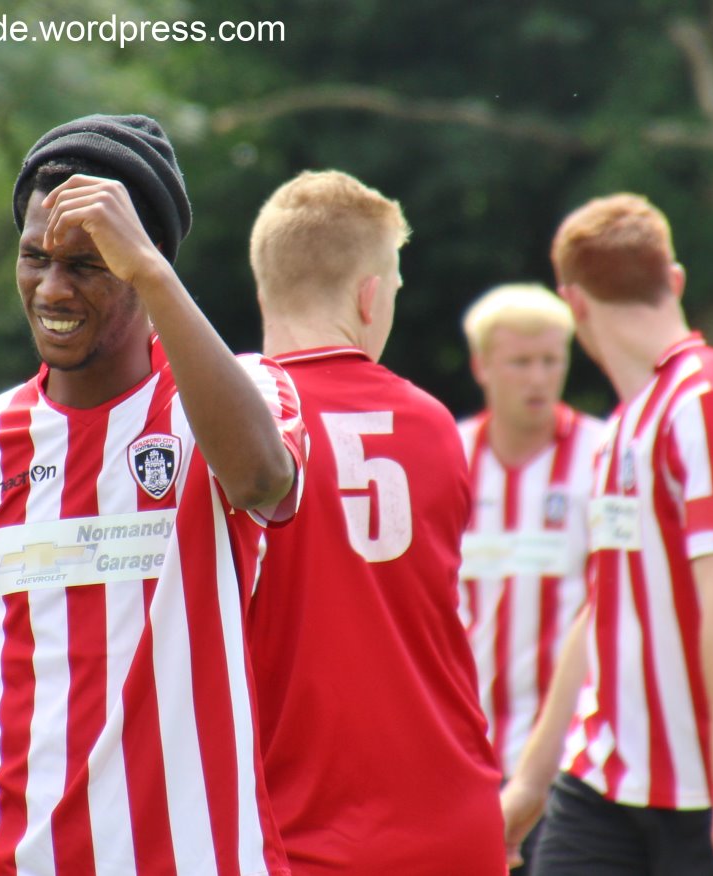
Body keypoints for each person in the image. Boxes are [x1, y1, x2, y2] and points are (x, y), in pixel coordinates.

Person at [0, 114, 307, 876]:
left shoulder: (239, 398)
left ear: (142, 261)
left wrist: (153, 275)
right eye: (34, 257)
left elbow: (263, 479)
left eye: (87, 264)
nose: (51, 288)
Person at [501, 193, 713, 876]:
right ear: (674, 280)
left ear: (573, 304)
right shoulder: (623, 426)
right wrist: (530, 782)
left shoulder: (707, 404)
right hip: (606, 784)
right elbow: (604, 604)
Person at [244, 170, 508, 875]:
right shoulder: (432, 423)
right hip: (454, 822)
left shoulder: (227, 432)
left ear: (264, 290)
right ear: (369, 296)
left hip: (295, 827)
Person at [456, 283, 604, 875]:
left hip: (573, 760)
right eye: (520, 362)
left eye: (551, 360)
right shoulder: (448, 454)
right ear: (482, 366)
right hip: (464, 754)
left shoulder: (600, 455)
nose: (538, 378)